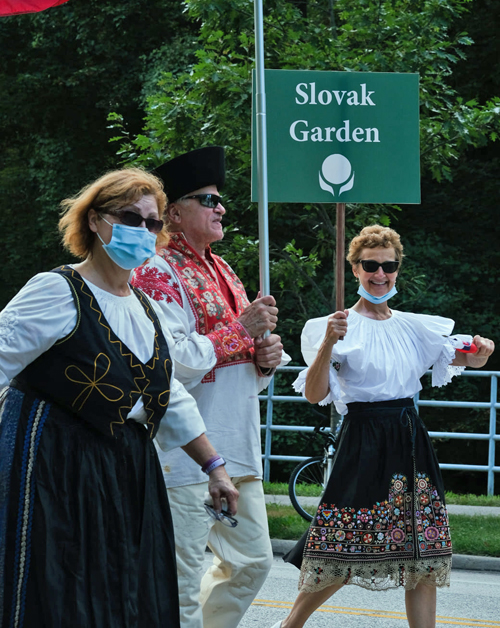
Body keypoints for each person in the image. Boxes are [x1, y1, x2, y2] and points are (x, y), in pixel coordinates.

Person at [0, 167, 238, 628]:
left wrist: (214, 467)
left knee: (126, 589)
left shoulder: (145, 307)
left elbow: (165, 395)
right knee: (58, 590)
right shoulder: (58, 290)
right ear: (94, 221)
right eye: (130, 217)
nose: (143, 231)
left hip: (127, 465)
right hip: (54, 462)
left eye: (152, 223)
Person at [270, 225, 495, 628]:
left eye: (387, 266)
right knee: (343, 545)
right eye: (370, 265)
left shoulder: (415, 326)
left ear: (397, 269)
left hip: (409, 437)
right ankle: (290, 625)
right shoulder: (334, 325)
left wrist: (483, 350)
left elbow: (470, 360)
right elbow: (314, 393)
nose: (380, 274)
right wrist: (327, 343)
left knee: (422, 548)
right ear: (355, 268)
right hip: (364, 438)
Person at [132, 146, 289, 628]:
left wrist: (267, 361)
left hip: (237, 448)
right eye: (208, 199)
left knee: (253, 564)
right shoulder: (155, 272)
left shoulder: (224, 270)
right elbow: (171, 363)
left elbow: (241, 364)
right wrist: (241, 332)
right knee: (178, 584)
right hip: (182, 456)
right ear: (173, 213)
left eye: (220, 200)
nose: (221, 208)